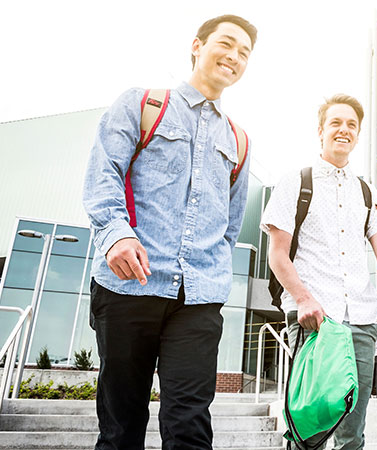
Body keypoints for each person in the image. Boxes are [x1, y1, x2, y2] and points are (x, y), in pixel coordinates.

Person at [82, 14, 257, 450]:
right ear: (197, 45)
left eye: (245, 53)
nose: (235, 56)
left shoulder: (239, 140)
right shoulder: (142, 104)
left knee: (189, 425)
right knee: (122, 425)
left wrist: (213, 269)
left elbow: (229, 227)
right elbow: (104, 172)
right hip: (129, 287)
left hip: (198, 299)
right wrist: (115, 234)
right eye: (227, 44)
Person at [261, 94, 377, 449]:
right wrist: (303, 299)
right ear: (321, 131)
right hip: (315, 322)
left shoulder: (366, 191)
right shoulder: (296, 182)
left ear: (357, 134)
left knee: (352, 434)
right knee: (309, 429)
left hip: (361, 322)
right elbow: (278, 255)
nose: (344, 130)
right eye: (336, 123)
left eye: (351, 125)